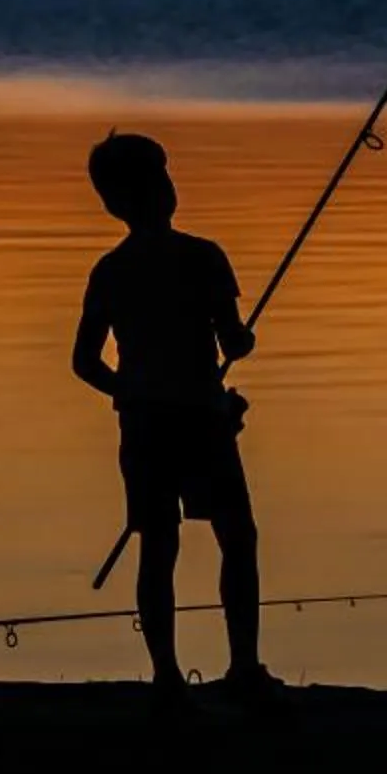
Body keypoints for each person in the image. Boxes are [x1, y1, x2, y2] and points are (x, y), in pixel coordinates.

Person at [72, 131, 282, 705]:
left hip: (145, 428)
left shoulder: (110, 270)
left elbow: (84, 362)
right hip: (202, 424)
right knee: (236, 536)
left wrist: (130, 392)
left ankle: (165, 674)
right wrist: (243, 342)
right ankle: (243, 667)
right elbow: (233, 341)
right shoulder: (204, 257)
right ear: (155, 192)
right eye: (161, 176)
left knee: (157, 545)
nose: (168, 185)